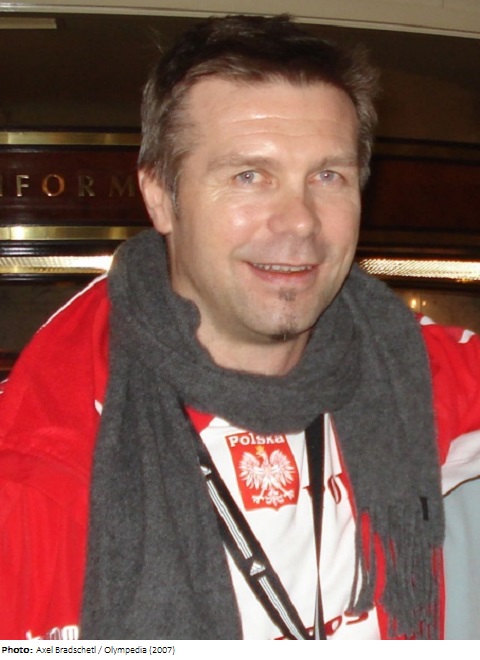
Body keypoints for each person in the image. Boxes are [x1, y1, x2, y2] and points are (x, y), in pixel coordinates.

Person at [1, 14, 480, 641]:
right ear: (160, 195)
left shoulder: (414, 371)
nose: (299, 221)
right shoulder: (34, 466)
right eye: (249, 176)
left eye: (328, 176)